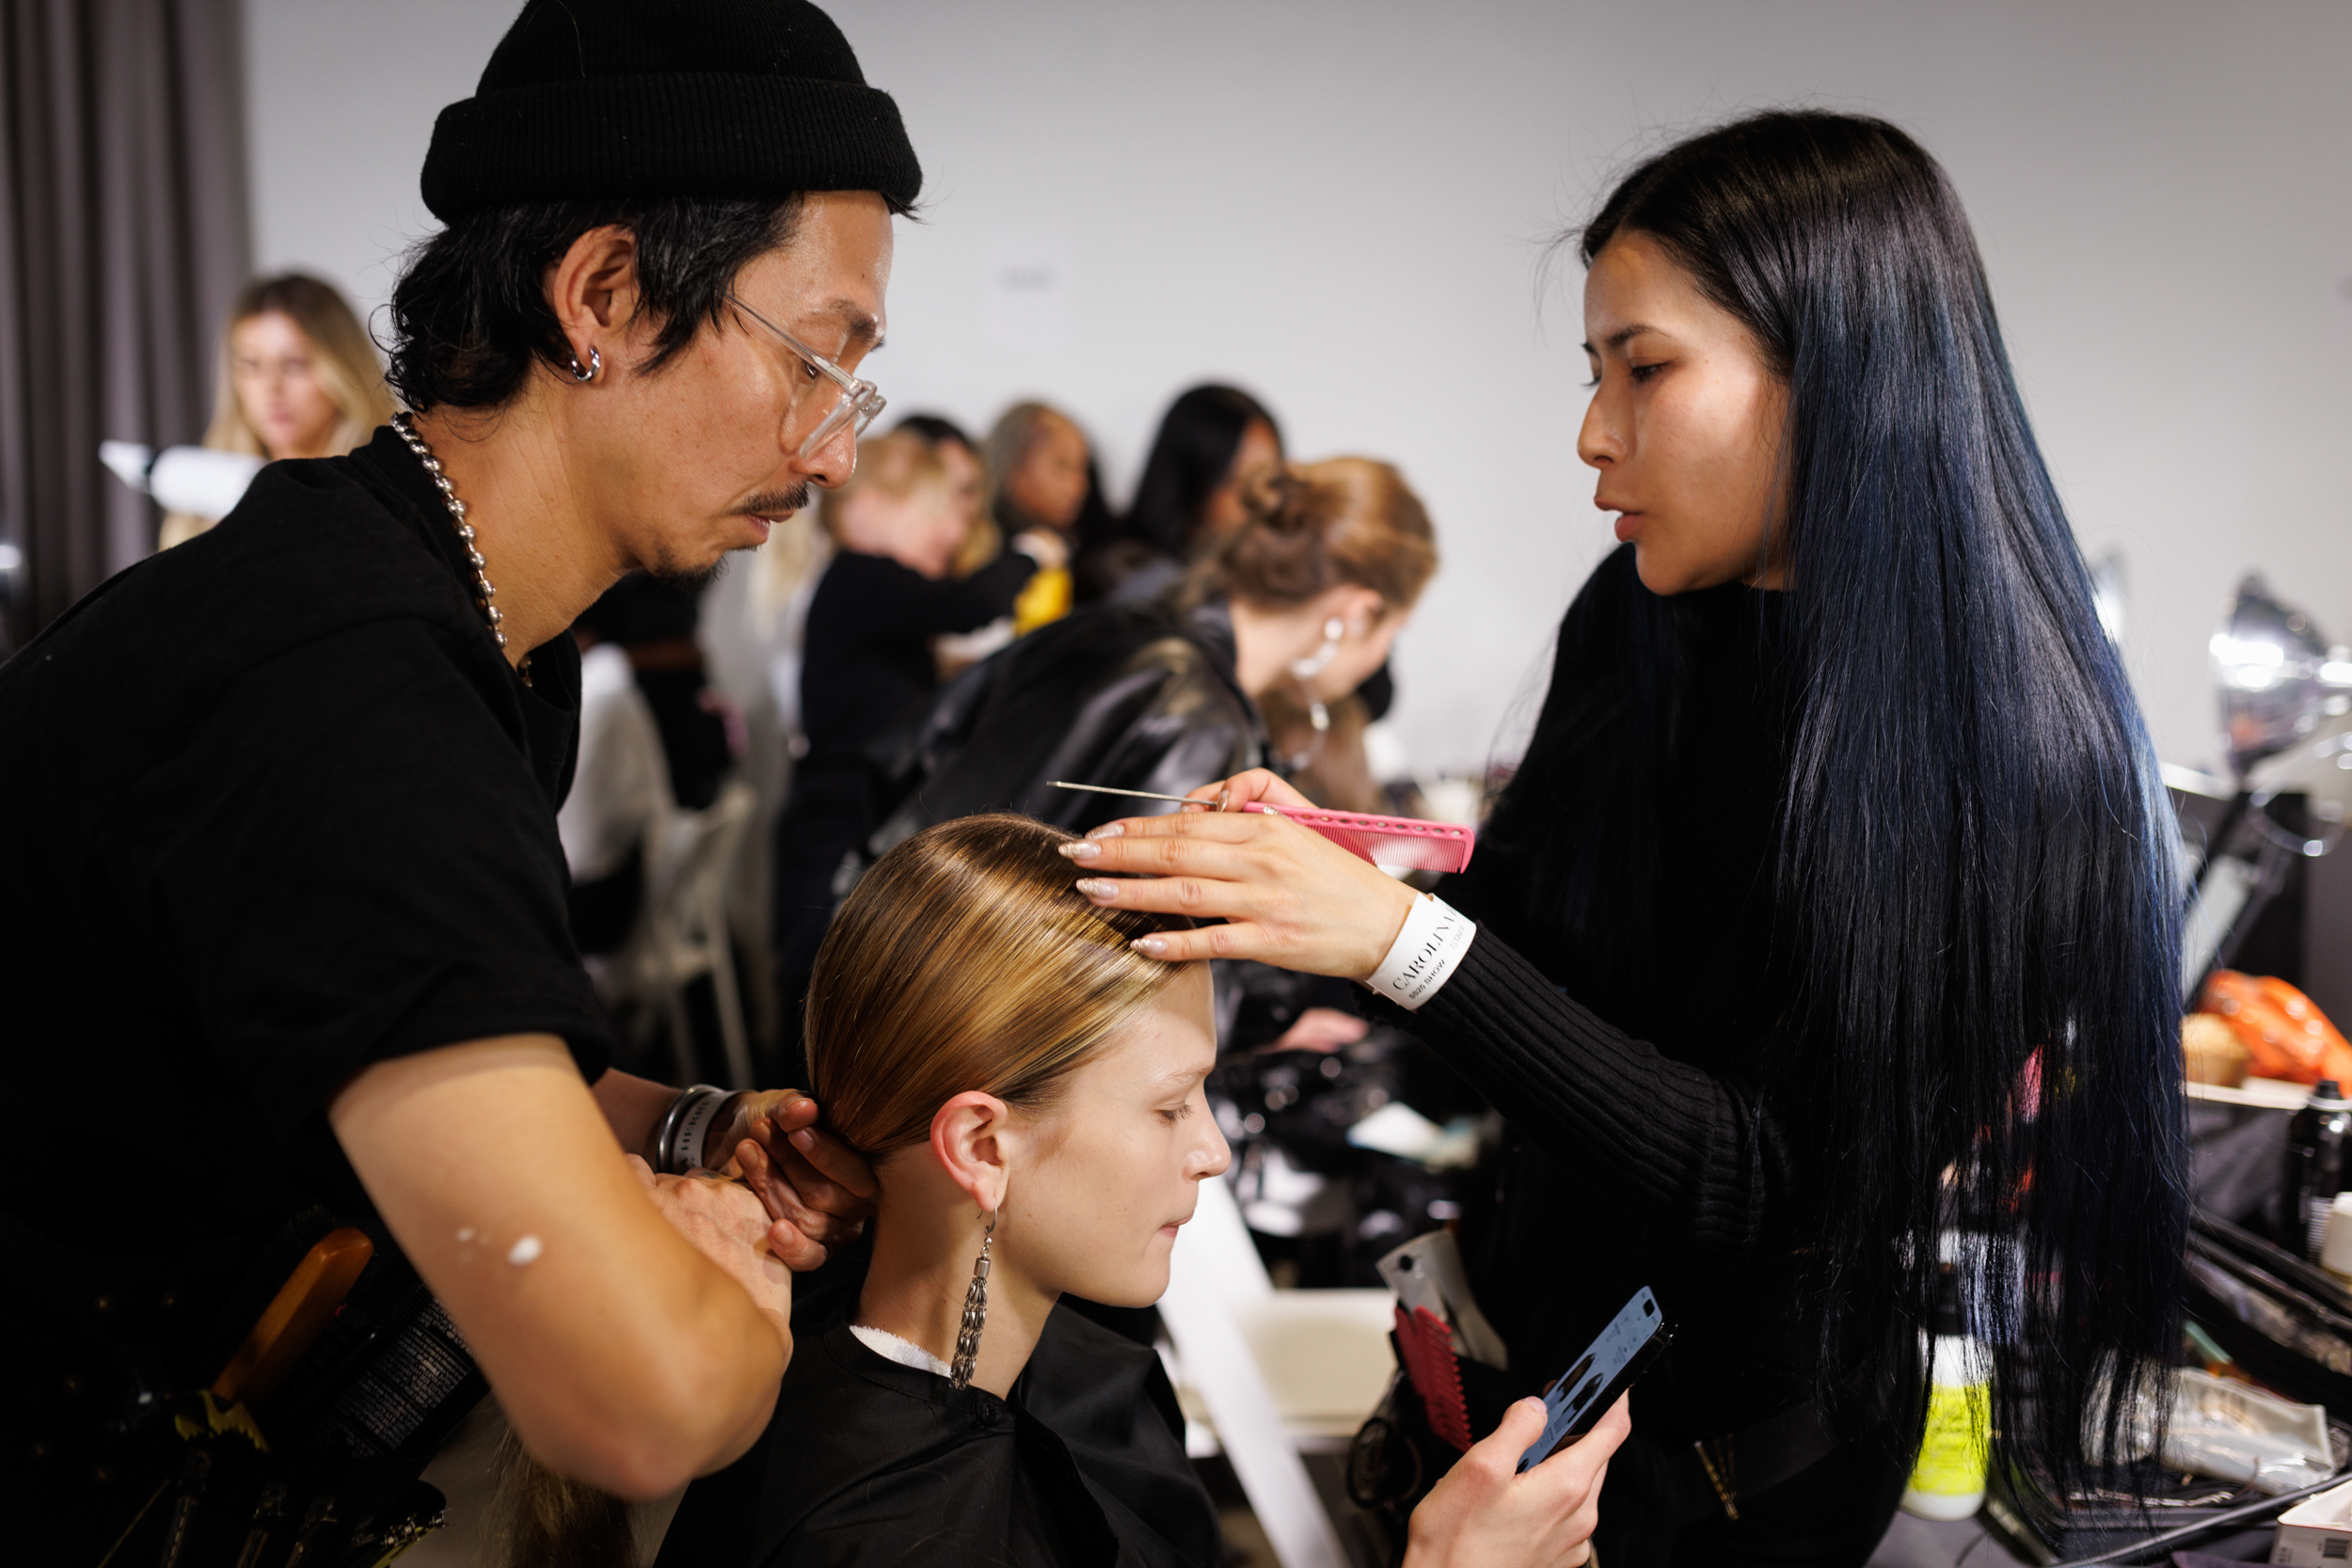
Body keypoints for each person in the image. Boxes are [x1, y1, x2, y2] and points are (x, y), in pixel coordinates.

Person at [1059, 111, 2185, 1566]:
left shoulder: (2016, 756)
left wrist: (1401, 940)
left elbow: (1771, 1180)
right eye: (1594, 372)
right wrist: (1347, 888)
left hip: (1731, 1483)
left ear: (1837, 369)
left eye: (1645, 368)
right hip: (1516, 1385)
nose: (1595, 432)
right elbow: (1533, 955)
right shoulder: (1640, 618)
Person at [0, 1, 922, 1559]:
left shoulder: (473, 618)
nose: (834, 451)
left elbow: (398, 1039)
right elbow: (635, 1397)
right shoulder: (345, 681)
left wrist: (689, 1130)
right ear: (609, 295)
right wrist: (733, 1280)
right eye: (820, 358)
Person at [655, 814, 1630, 1568]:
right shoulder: (870, 1528)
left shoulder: (1089, 1366)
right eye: (1171, 1107)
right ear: (982, 1142)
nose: (1211, 1149)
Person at [771, 431, 1050, 1053]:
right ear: (866, 508)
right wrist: (1031, 552)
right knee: (820, 989)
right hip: (835, 817)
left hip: (854, 807)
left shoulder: (871, 591)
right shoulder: (860, 576)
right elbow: (973, 602)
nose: (952, 534)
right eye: (935, 514)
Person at [159, 272, 396, 547]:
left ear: (342, 369)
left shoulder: (387, 492)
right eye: (250, 365)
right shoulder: (200, 506)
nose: (271, 387)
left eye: (295, 364)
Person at [1081, 383, 1283, 606]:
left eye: (1272, 481)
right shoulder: (1133, 580)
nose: (1266, 500)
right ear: (1192, 479)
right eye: (1242, 481)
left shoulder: (1269, 578)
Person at [983, 400, 1093, 633]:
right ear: (1014, 463)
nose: (1079, 486)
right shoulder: (977, 551)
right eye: (1062, 466)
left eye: (1082, 469)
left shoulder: (1071, 545)